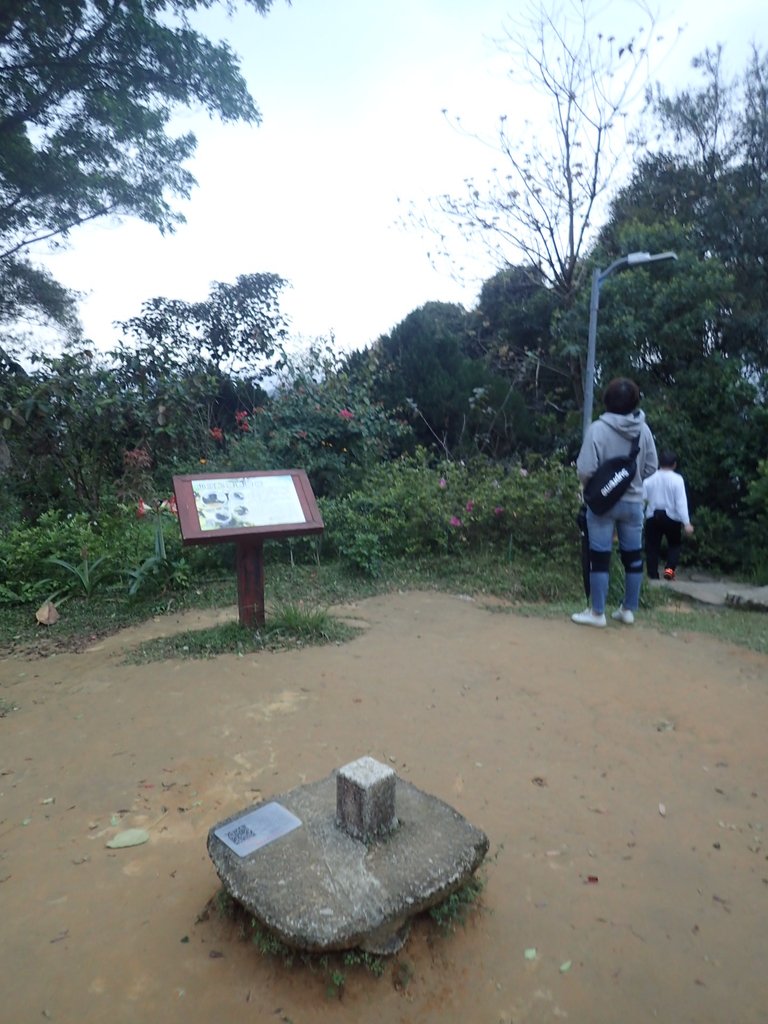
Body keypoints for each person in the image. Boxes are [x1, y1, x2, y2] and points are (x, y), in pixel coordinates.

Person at [572, 377, 658, 627]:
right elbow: (651, 466)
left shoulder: (598, 429)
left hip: (602, 504)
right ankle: (628, 610)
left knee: (599, 557)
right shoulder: (643, 430)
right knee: (633, 557)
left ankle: (597, 613)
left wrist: (598, 486)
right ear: (635, 402)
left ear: (607, 400)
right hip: (633, 504)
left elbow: (586, 468)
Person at [642, 450, 694, 581]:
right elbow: (681, 502)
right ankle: (669, 572)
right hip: (672, 518)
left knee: (652, 548)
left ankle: (653, 575)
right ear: (674, 465)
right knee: (674, 546)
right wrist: (686, 523)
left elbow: (642, 501)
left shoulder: (648, 481)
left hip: (652, 516)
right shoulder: (677, 480)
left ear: (659, 463)